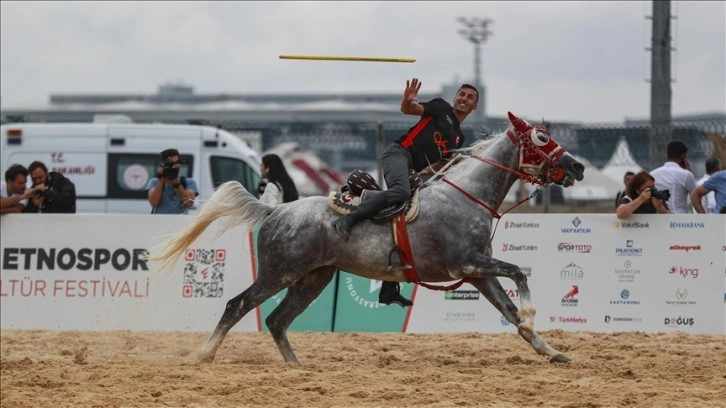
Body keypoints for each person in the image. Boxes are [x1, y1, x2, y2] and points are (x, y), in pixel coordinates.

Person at [332, 77, 479, 307]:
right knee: (401, 191)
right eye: (462, 94)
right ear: (455, 96)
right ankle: (348, 220)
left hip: (412, 170)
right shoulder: (441, 108)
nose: (464, 99)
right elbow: (409, 109)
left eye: (470, 97)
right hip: (397, 155)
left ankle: (388, 287)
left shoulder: (460, 137)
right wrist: (407, 100)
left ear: (474, 106)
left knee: (416, 218)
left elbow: (438, 166)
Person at [146, 148, 199, 214]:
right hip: (159, 221)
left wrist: (177, 185)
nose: (173, 166)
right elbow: (154, 203)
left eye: (176, 163)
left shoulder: (189, 182)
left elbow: (189, 204)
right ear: (162, 165)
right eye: (170, 164)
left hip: (180, 221)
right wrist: (161, 180)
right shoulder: (154, 182)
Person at [649, 140, 696, 214]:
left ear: (667, 155)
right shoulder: (686, 175)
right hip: (680, 220)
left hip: (658, 218)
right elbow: (695, 197)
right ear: (683, 156)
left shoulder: (652, 174)